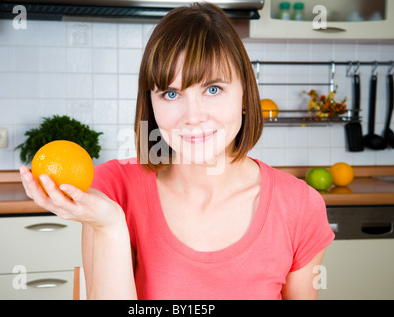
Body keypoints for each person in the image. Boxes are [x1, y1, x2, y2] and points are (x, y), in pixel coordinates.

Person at [20, 2, 334, 300]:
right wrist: (109, 225)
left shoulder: (299, 206)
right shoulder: (114, 190)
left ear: (244, 95)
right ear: (151, 104)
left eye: (213, 89)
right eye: (171, 93)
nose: (192, 115)